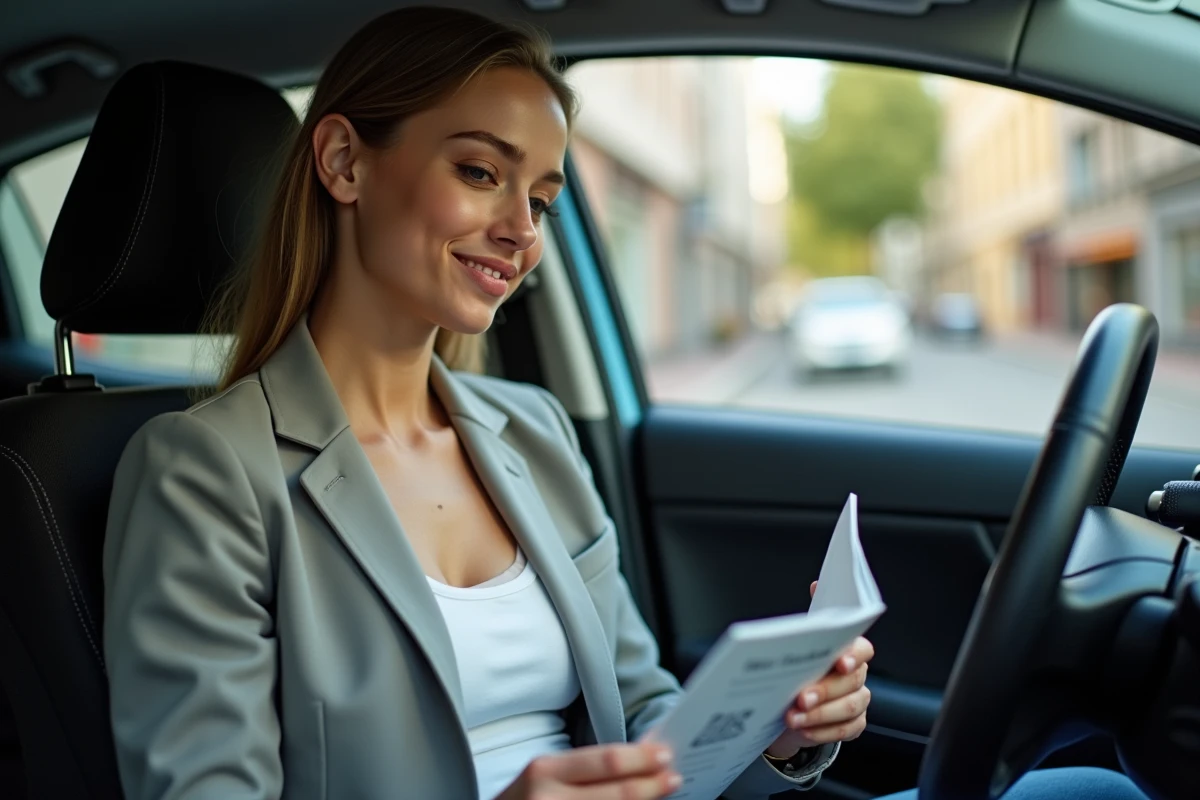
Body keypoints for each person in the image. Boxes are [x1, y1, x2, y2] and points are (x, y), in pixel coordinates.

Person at [101, 6, 1149, 800]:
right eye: (481, 172)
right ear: (343, 161)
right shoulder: (205, 471)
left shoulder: (532, 432)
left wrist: (772, 726)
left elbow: (647, 712)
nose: (523, 229)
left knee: (1089, 783)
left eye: (544, 197)